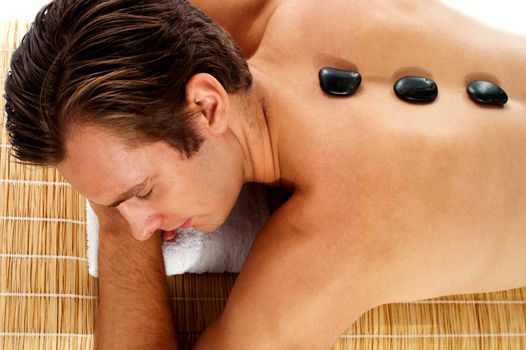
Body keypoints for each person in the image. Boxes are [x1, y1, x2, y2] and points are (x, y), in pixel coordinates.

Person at [4, 0, 526, 348]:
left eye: (140, 192)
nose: (145, 227)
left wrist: (116, 230)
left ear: (208, 106)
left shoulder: (334, 237)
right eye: (120, 207)